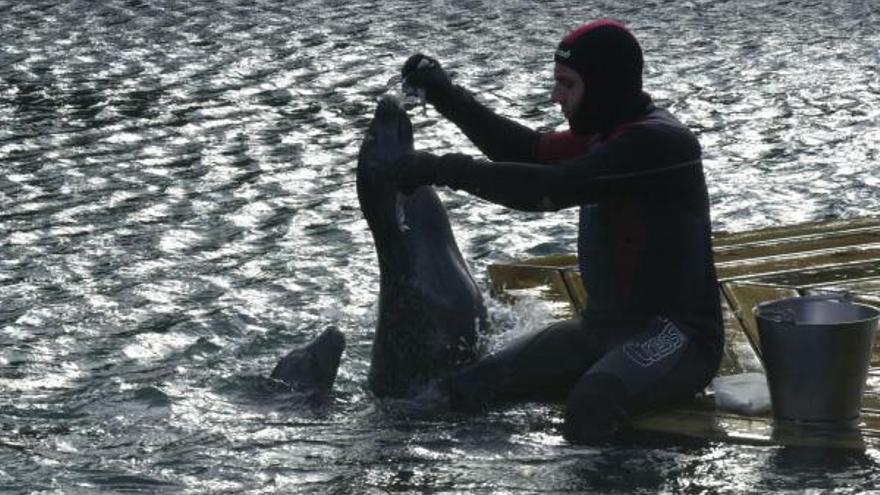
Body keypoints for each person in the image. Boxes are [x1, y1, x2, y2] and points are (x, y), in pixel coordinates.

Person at [394, 19, 723, 444]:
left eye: (567, 84)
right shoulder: (604, 133)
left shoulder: (660, 144)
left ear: (603, 87)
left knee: (591, 403)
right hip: (599, 329)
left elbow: (548, 190)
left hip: (677, 336)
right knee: (468, 388)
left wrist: (442, 169)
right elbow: (524, 151)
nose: (555, 96)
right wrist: (443, 93)